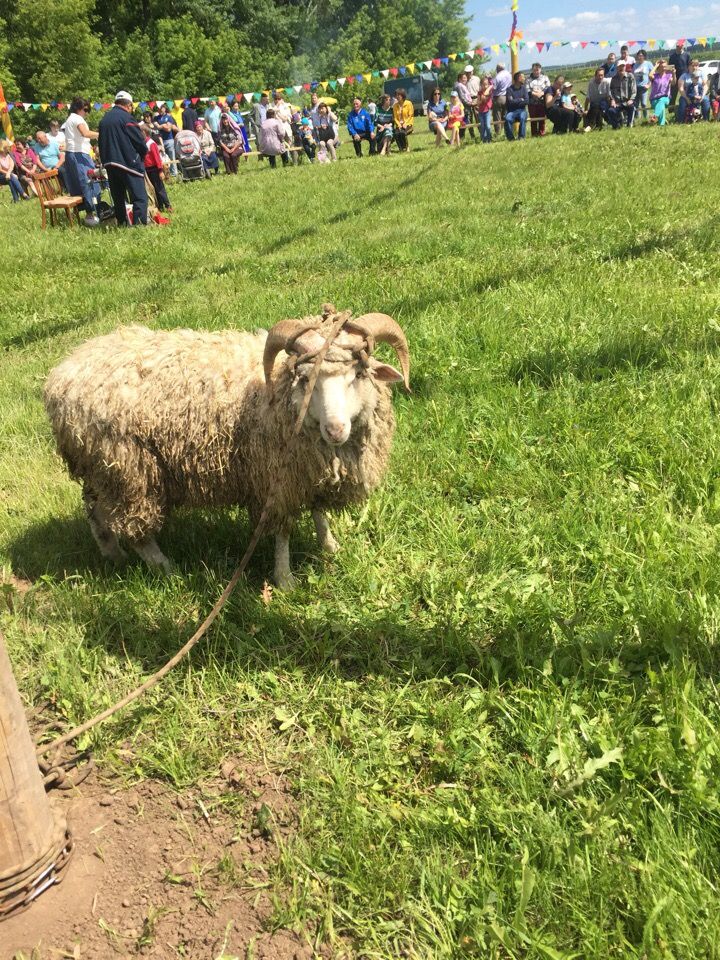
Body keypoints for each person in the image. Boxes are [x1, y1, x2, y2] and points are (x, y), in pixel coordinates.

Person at [98, 90, 148, 227]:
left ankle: (121, 223)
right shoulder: (126, 118)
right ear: (129, 105)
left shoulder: (104, 120)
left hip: (109, 163)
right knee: (139, 197)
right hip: (127, 162)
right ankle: (139, 225)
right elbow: (139, 140)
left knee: (118, 197)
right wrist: (142, 153)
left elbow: (100, 142)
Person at [63, 97, 100, 226]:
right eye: (85, 110)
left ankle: (90, 211)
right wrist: (101, 133)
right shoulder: (76, 118)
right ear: (79, 108)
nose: (87, 112)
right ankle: (90, 214)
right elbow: (85, 133)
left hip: (78, 153)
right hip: (77, 155)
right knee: (87, 183)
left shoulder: (71, 119)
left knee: (85, 183)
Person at [144, 131, 171, 211]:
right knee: (153, 189)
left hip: (155, 169)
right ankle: (160, 206)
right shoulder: (143, 143)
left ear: (145, 133)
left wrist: (160, 170)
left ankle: (168, 205)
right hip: (148, 169)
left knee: (159, 188)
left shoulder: (151, 143)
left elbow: (157, 158)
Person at [608, 62, 637, 128]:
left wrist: (631, 99)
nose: (621, 68)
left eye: (623, 66)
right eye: (619, 67)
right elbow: (611, 91)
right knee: (610, 111)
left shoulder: (630, 76)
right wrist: (612, 100)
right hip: (618, 103)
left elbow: (634, 90)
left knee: (631, 107)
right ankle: (616, 126)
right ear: (617, 68)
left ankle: (629, 125)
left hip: (628, 101)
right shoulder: (613, 79)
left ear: (625, 67)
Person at [153, 103, 178, 176]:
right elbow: (156, 127)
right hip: (159, 141)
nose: (160, 109)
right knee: (162, 158)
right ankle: (165, 173)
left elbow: (168, 129)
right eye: (159, 108)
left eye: (162, 108)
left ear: (164, 108)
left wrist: (161, 126)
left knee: (171, 157)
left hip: (169, 140)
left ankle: (174, 173)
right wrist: (164, 125)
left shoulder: (169, 117)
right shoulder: (156, 118)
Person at [504, 71, 528, 141]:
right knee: (507, 118)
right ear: (518, 78)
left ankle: (521, 137)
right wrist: (521, 99)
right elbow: (510, 102)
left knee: (522, 117)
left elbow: (526, 101)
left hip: (522, 110)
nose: (524, 78)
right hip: (512, 111)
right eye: (523, 77)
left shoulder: (524, 88)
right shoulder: (509, 89)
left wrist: (516, 101)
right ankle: (511, 138)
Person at [527, 62, 550, 136]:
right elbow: (527, 90)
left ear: (540, 69)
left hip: (542, 102)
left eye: (537, 70)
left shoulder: (545, 78)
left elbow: (548, 87)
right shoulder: (528, 79)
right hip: (532, 102)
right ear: (532, 70)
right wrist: (536, 94)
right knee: (533, 119)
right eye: (534, 70)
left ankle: (541, 133)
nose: (536, 71)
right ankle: (534, 134)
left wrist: (542, 93)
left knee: (541, 119)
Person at [453, 71, 476, 140]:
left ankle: (462, 138)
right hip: (464, 108)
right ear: (459, 79)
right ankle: (472, 137)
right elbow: (462, 98)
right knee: (467, 122)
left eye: (466, 78)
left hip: (466, 107)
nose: (465, 79)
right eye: (463, 78)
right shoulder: (459, 86)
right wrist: (470, 104)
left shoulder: (462, 86)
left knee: (465, 122)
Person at [492, 62, 512, 137]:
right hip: (507, 96)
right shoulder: (509, 74)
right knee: (505, 115)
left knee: (497, 116)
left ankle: (498, 133)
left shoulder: (498, 76)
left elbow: (494, 88)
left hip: (498, 97)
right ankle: (505, 131)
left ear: (498, 68)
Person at [632, 50, 653, 122]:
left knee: (644, 103)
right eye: (638, 55)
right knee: (636, 104)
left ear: (644, 56)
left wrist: (649, 84)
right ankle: (638, 119)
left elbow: (653, 74)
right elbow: (632, 76)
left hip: (644, 87)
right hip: (636, 87)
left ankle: (646, 118)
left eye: (641, 55)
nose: (640, 57)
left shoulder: (648, 64)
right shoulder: (634, 65)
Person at [650, 59, 672, 125]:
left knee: (661, 101)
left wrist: (674, 73)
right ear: (658, 68)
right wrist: (655, 66)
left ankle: (655, 116)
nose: (663, 68)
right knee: (661, 106)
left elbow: (673, 82)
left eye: (664, 66)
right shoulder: (655, 76)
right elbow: (649, 75)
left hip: (665, 98)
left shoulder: (669, 75)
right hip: (654, 99)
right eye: (661, 67)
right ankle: (661, 125)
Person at [477, 75, 493, 142]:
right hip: (481, 112)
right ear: (481, 85)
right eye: (483, 85)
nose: (485, 86)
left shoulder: (489, 91)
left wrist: (490, 78)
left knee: (488, 126)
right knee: (482, 126)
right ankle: (483, 140)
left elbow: (492, 84)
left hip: (487, 111)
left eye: (486, 84)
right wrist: (481, 100)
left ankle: (489, 139)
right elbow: (478, 103)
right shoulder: (479, 93)